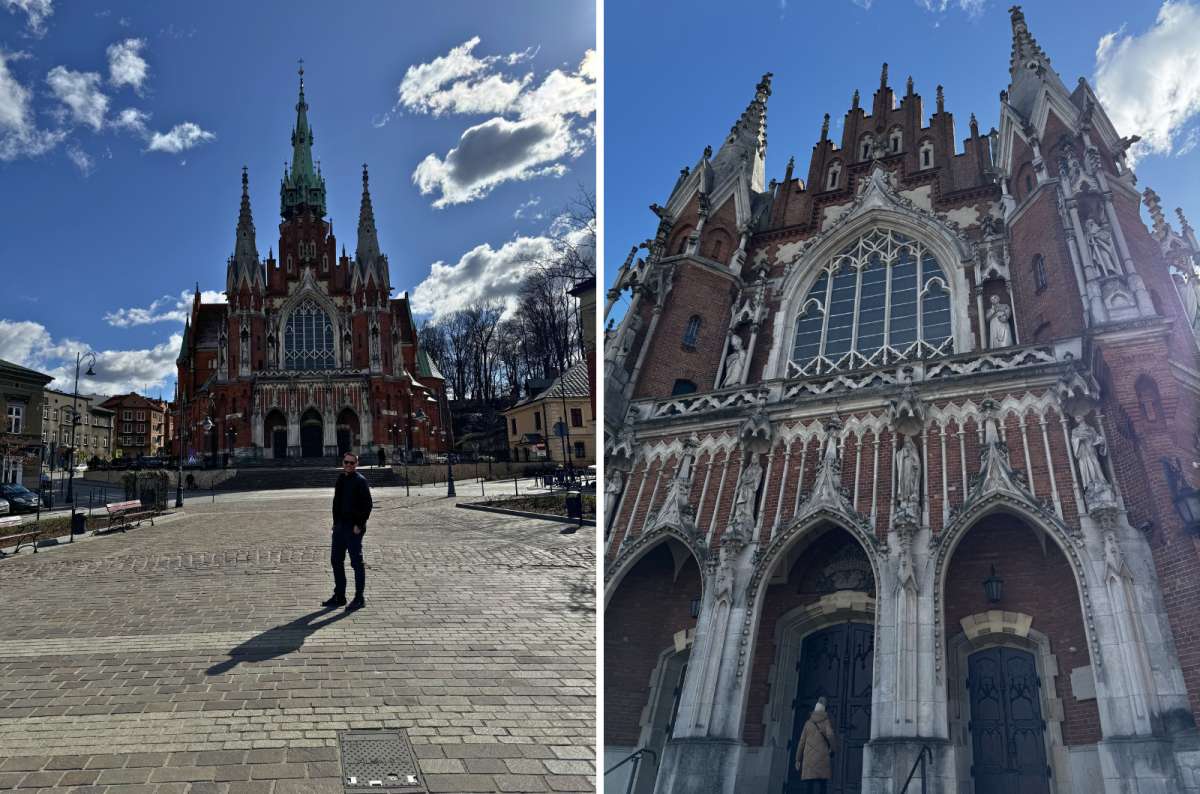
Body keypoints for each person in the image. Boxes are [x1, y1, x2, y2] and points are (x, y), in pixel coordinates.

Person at [324, 452, 372, 611]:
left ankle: (359, 597)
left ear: (356, 464)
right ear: (343, 462)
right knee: (336, 560)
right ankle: (340, 595)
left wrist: (359, 524)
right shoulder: (341, 479)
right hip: (340, 526)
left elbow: (367, 505)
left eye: (352, 463)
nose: (349, 465)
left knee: (356, 563)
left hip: (353, 527)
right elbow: (336, 502)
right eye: (346, 462)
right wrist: (335, 522)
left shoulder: (361, 481)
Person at [795, 696, 838, 793]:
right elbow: (830, 735)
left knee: (809, 785)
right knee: (822, 784)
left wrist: (798, 759)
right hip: (822, 757)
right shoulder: (826, 722)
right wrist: (833, 749)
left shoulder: (808, 723)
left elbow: (801, 742)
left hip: (809, 758)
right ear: (824, 709)